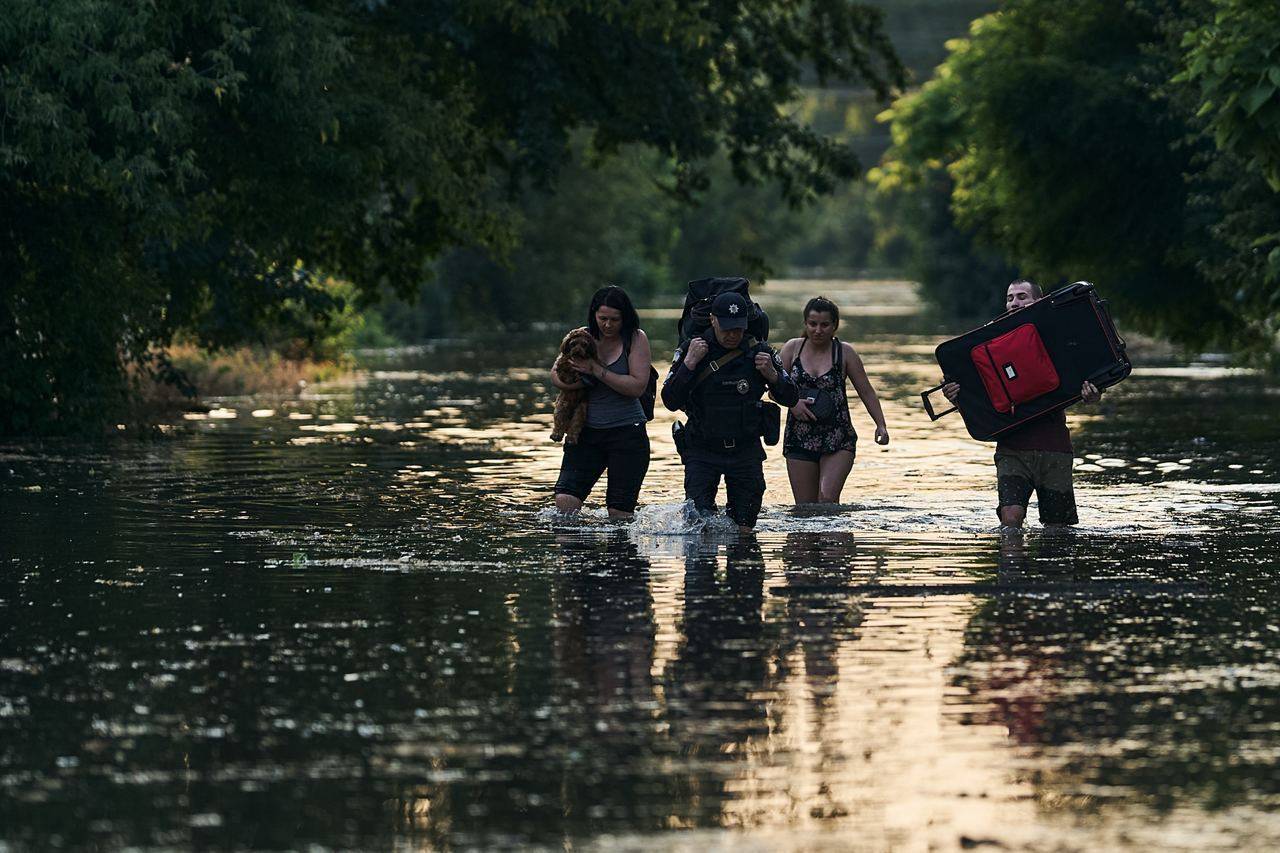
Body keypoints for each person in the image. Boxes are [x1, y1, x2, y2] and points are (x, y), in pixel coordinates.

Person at [942, 279, 1102, 529]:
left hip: (1055, 448)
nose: (1015, 303)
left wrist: (1092, 395)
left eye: (1022, 296)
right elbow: (980, 403)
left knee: (1057, 529)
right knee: (1011, 520)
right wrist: (957, 396)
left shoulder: (1059, 334)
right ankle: (1013, 565)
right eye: (1010, 298)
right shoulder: (989, 341)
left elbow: (1083, 381)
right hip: (1012, 449)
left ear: (1038, 301)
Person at [661, 290, 799, 532]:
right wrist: (689, 364)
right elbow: (670, 400)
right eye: (727, 328)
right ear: (713, 320)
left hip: (745, 451)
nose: (733, 335)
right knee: (698, 528)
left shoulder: (759, 351)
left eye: (738, 328)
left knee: (745, 529)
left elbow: (791, 397)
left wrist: (773, 376)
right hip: (702, 450)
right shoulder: (692, 349)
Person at [550, 285, 653, 519]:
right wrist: (578, 383)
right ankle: (576, 554)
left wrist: (595, 370)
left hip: (627, 434)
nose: (608, 325)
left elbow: (637, 387)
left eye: (614, 319)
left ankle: (621, 554)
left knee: (618, 513)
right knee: (565, 502)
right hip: (585, 433)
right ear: (593, 315)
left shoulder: (636, 339)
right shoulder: (581, 336)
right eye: (602, 318)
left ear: (625, 317)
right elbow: (555, 373)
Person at [777, 296, 890, 504]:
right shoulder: (792, 349)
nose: (818, 330)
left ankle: (835, 537)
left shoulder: (845, 353)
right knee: (805, 510)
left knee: (827, 499)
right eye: (812, 324)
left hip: (838, 438)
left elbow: (866, 391)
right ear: (805, 324)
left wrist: (880, 425)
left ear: (835, 326)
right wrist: (792, 404)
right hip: (799, 437)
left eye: (824, 325)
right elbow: (774, 389)